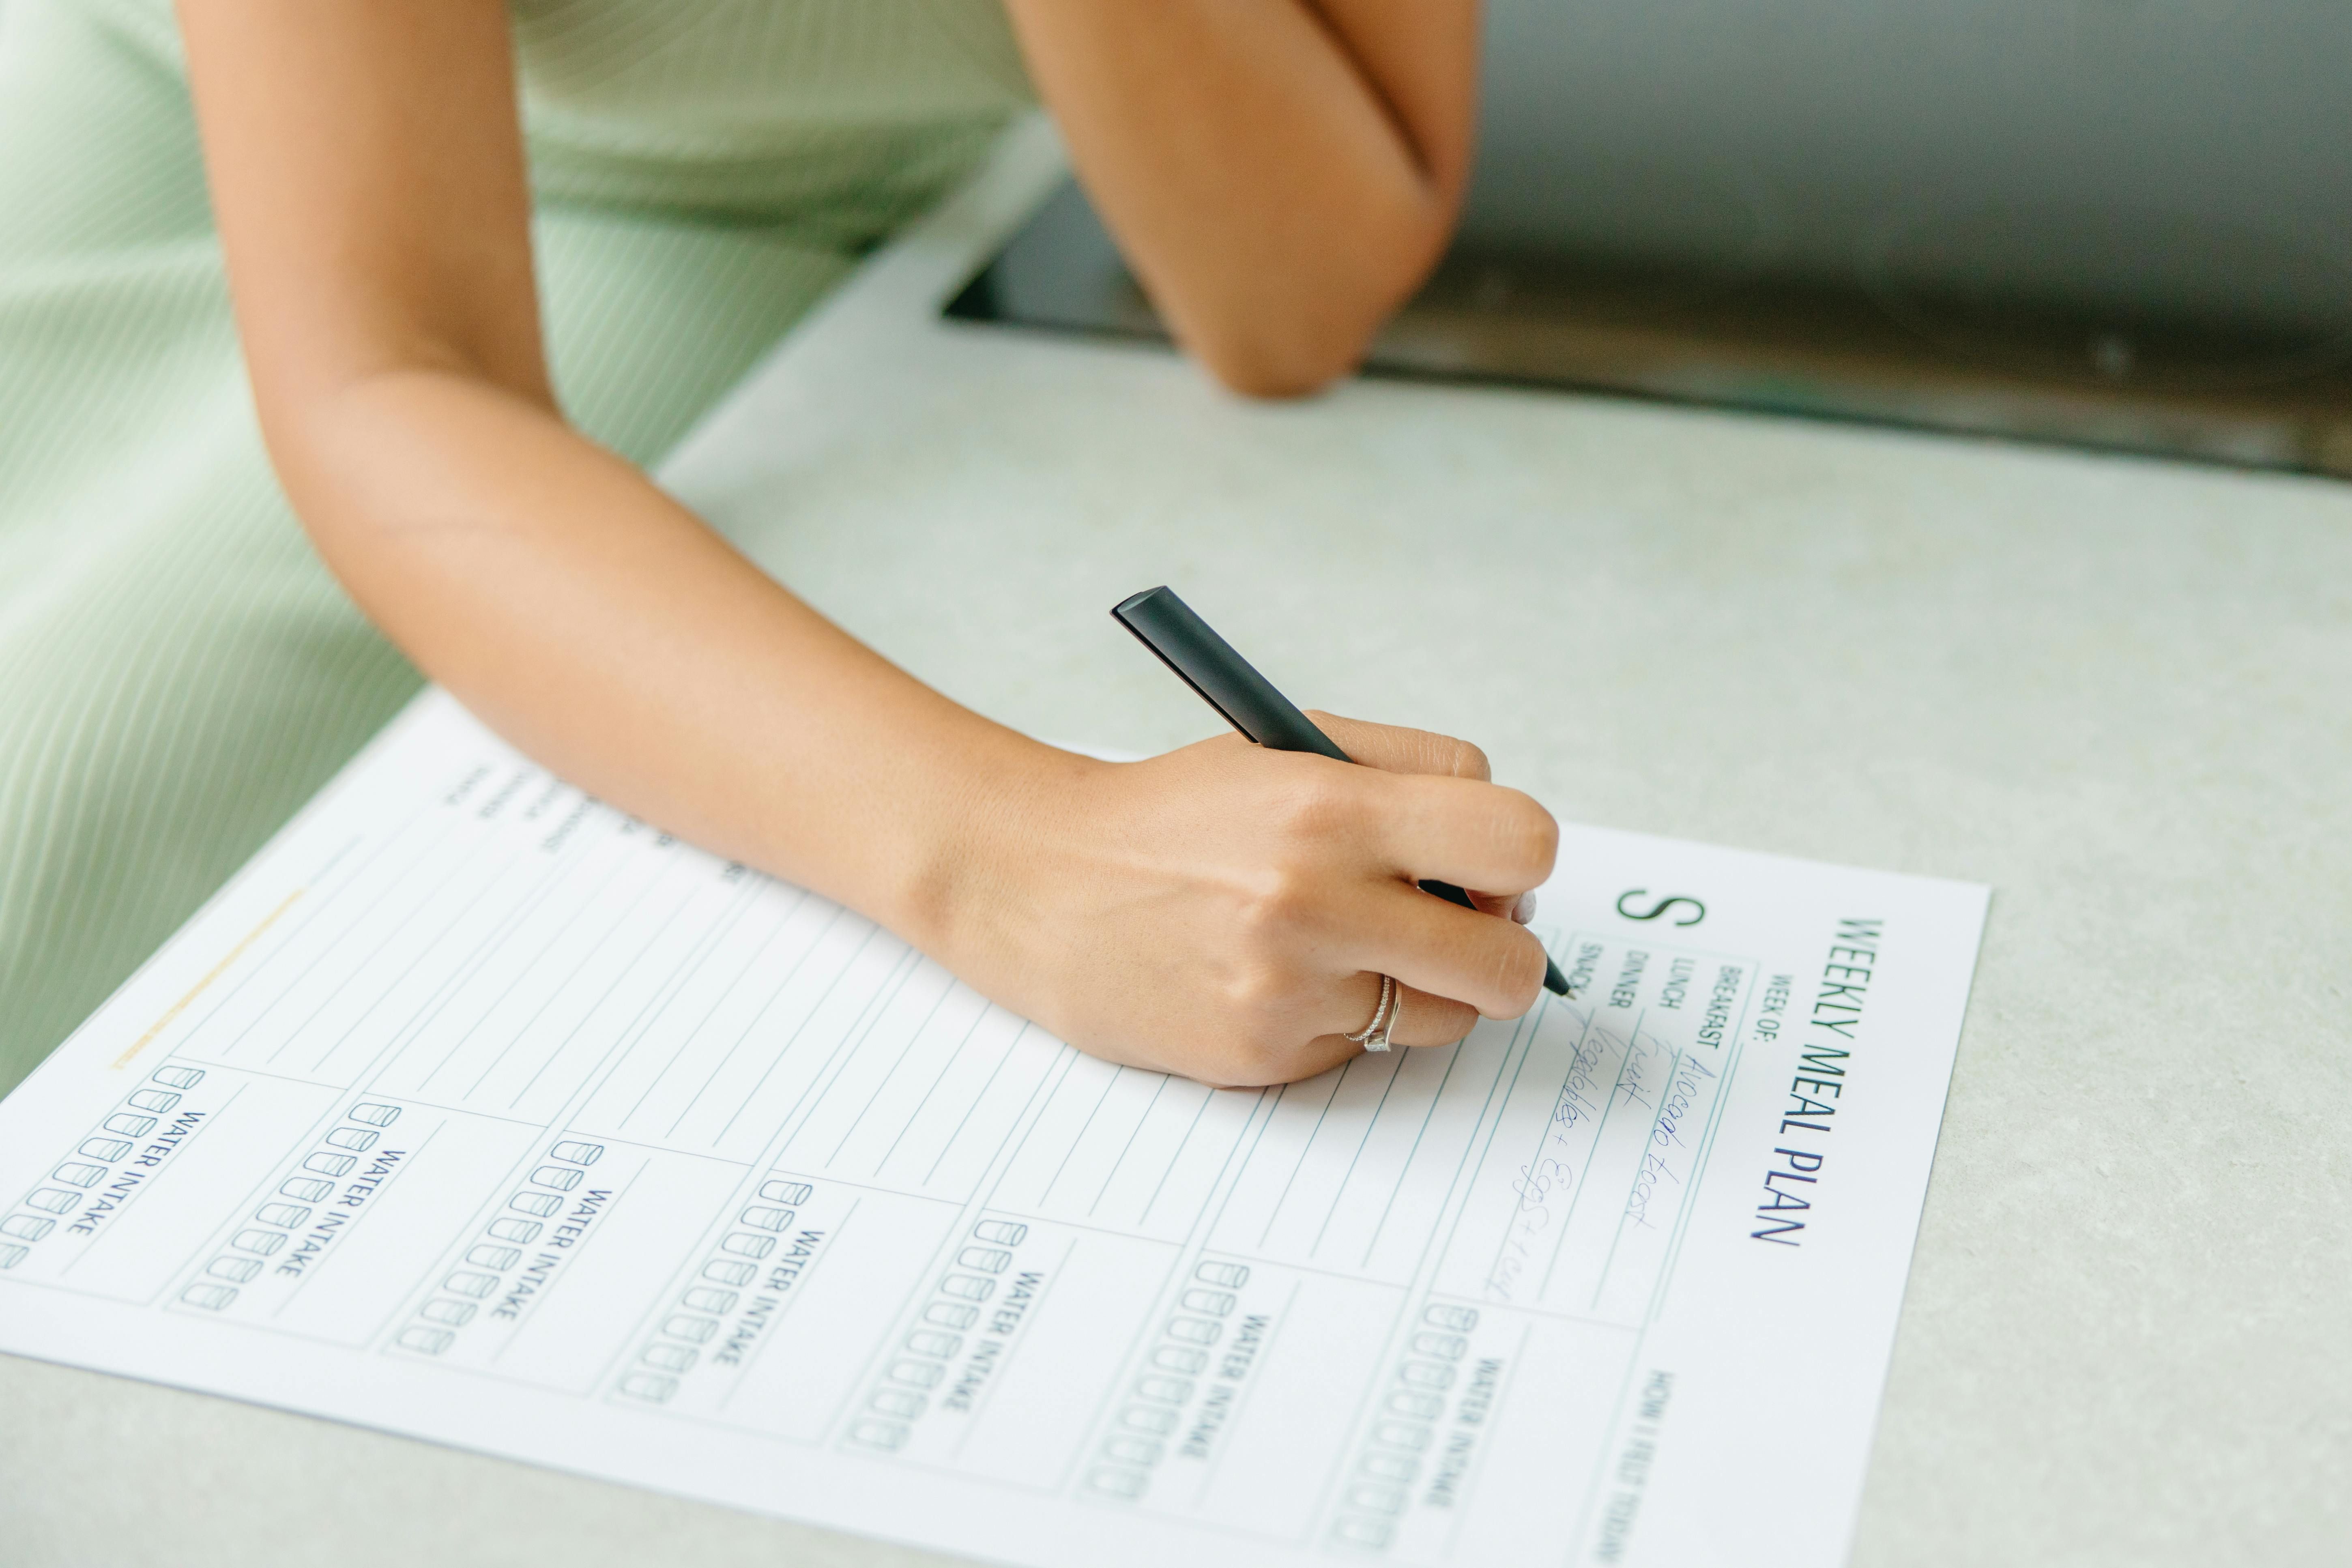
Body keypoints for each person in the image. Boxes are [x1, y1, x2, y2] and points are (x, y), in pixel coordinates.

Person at [0, 0, 1557, 1097]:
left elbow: (1285, 290)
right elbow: (390, 371)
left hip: (725, 244)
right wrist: (1009, 858)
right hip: (160, 177)